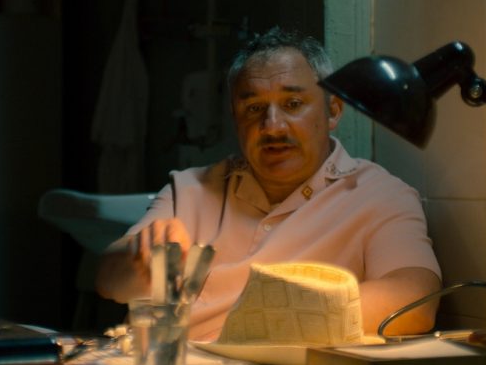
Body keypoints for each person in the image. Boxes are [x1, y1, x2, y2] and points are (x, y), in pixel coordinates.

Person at [96, 27, 442, 341]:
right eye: (253, 108)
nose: (273, 126)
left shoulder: (379, 195)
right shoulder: (190, 189)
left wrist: (267, 323)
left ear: (333, 111)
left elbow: (415, 301)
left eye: (293, 104)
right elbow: (109, 279)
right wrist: (137, 258)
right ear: (235, 118)